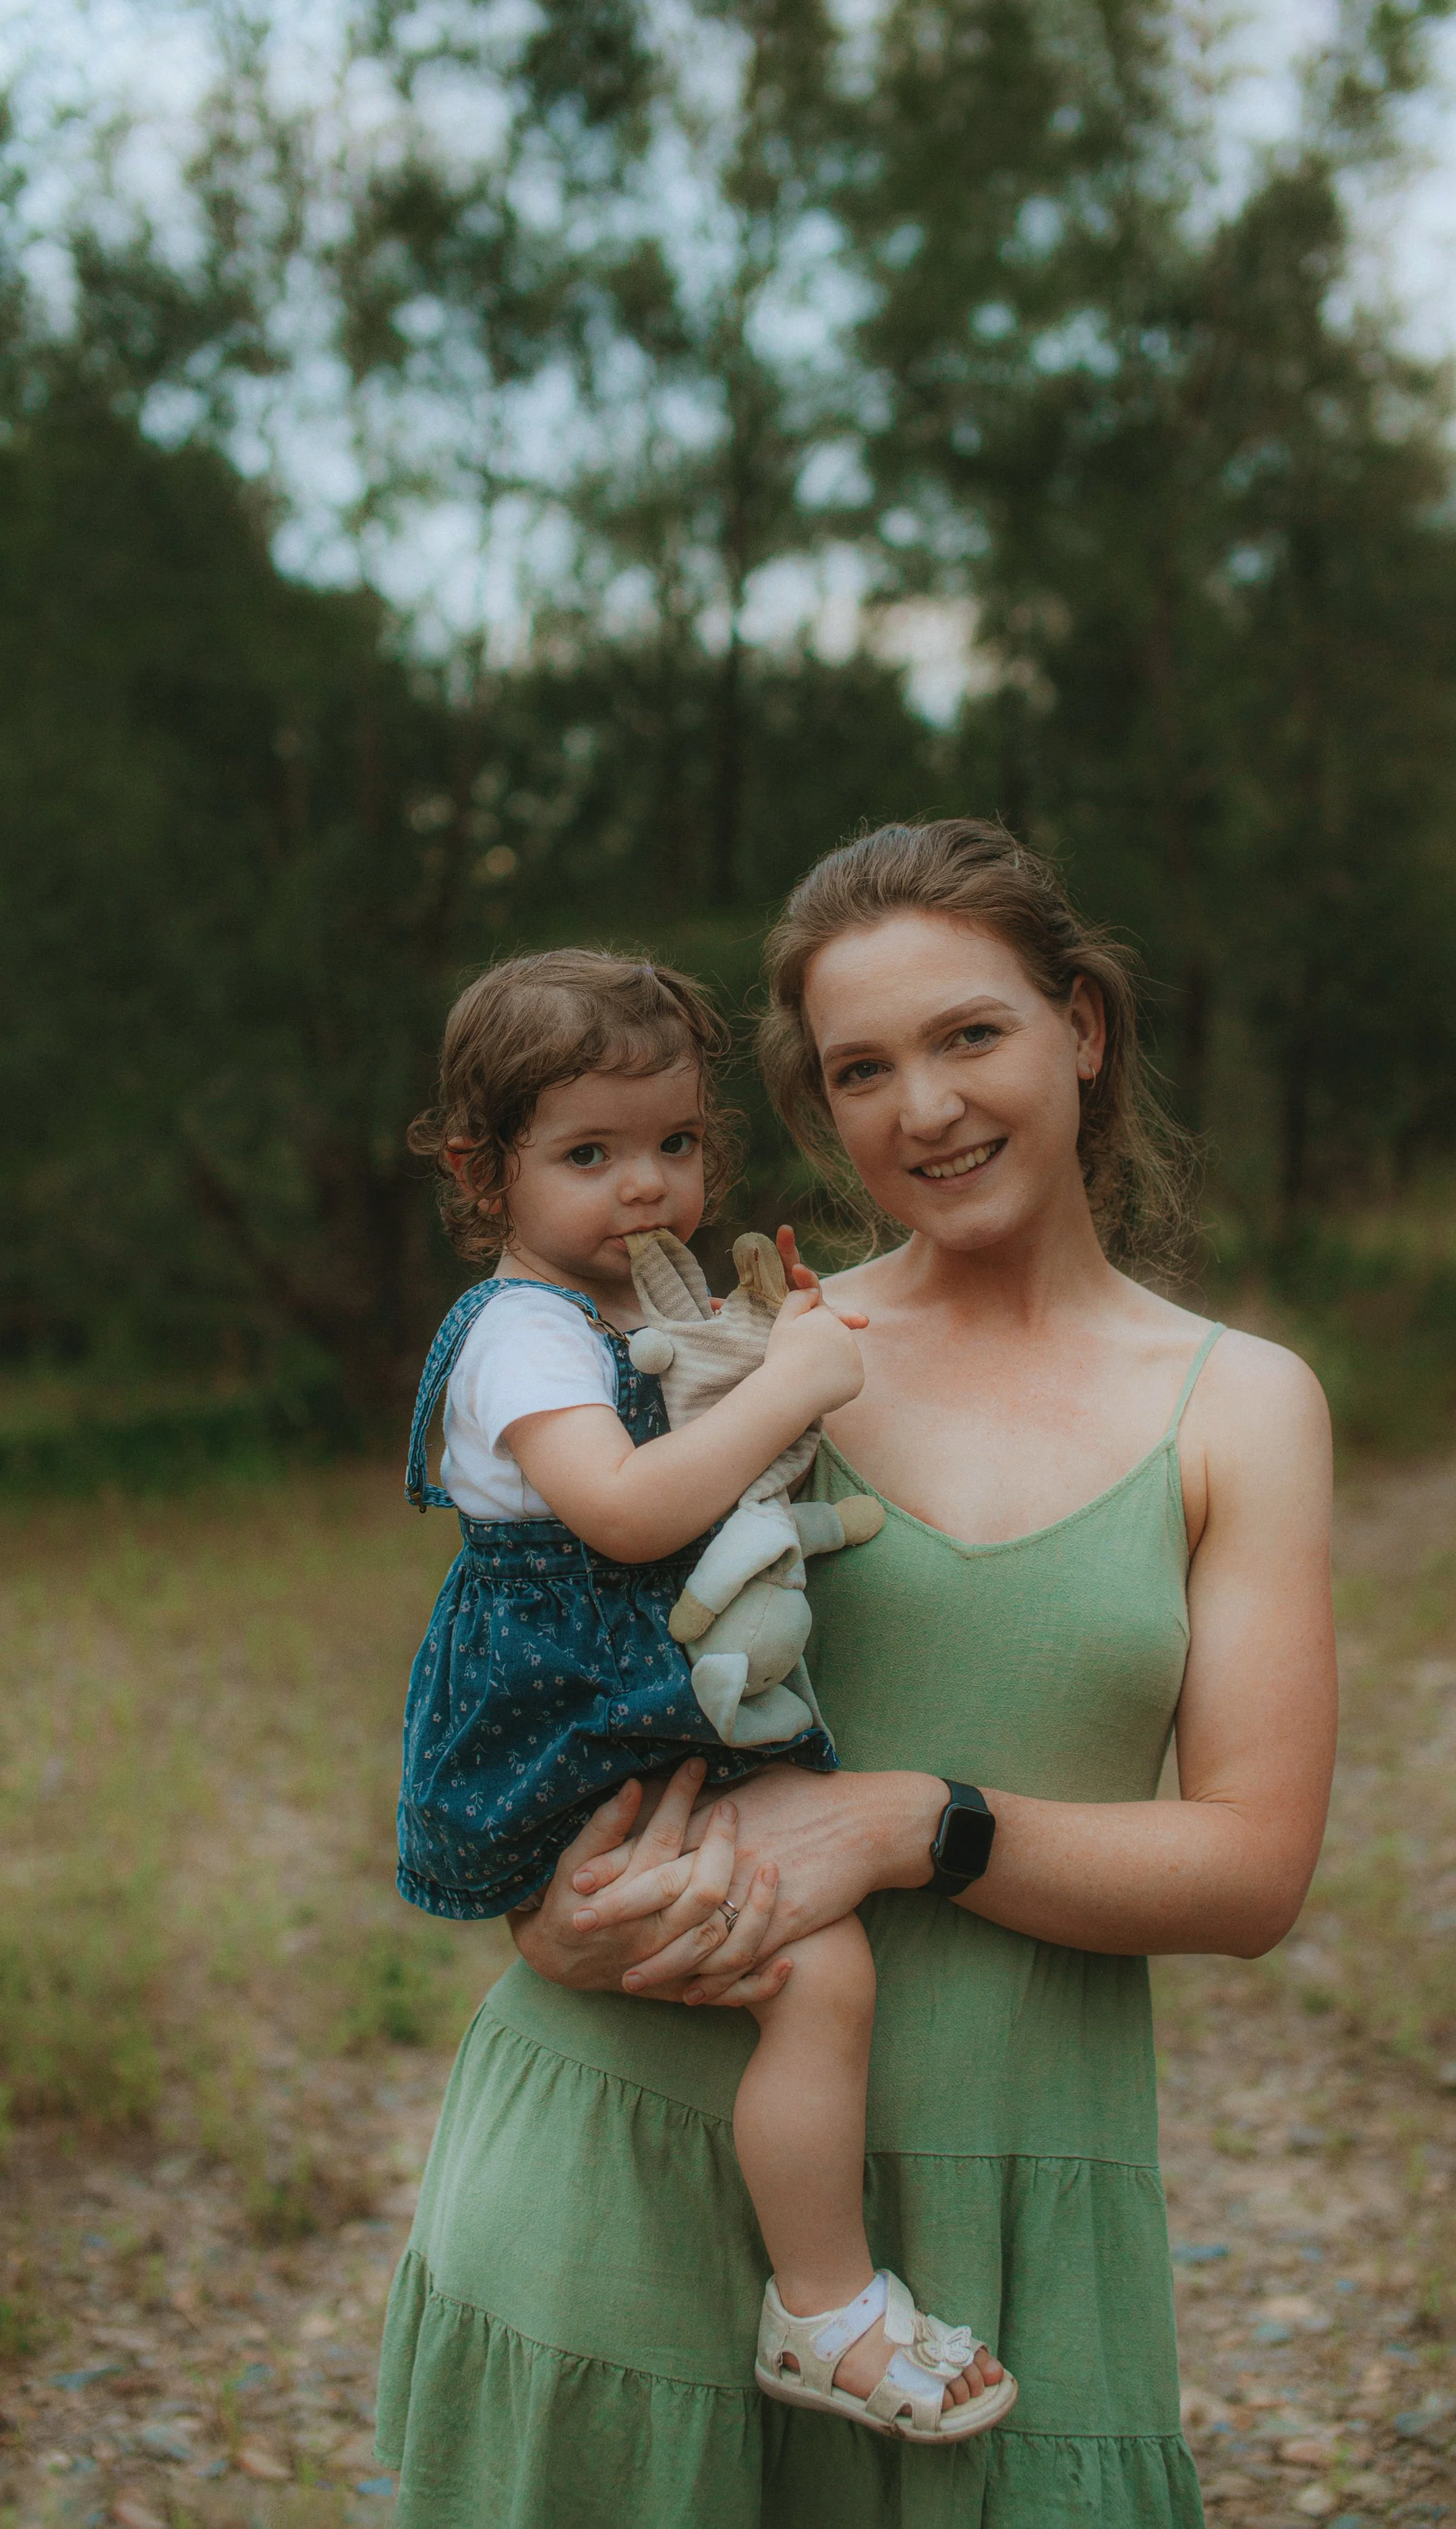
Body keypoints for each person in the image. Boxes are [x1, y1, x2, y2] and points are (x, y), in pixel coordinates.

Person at [377, 823, 1338, 2529]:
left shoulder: (1240, 1405)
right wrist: (546, 1909)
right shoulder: (744, 1363)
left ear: (1081, 1028)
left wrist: (913, 1822)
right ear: (818, 1109)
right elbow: (542, 1671)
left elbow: (1252, 1870)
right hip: (622, 2161)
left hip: (993, 2219)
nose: (927, 1108)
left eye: (971, 1035)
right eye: (861, 1070)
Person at [397, 946, 1017, 2445]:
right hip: (567, 1729)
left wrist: (753, 1366)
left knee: (815, 1975)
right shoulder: (521, 1335)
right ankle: (823, 2307)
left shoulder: (605, 1316)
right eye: (589, 1154)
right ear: (486, 1172)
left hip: (621, 1709)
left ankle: (822, 2297)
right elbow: (619, 1512)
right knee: (816, 1974)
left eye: (673, 1146)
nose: (646, 1190)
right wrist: (793, 1388)